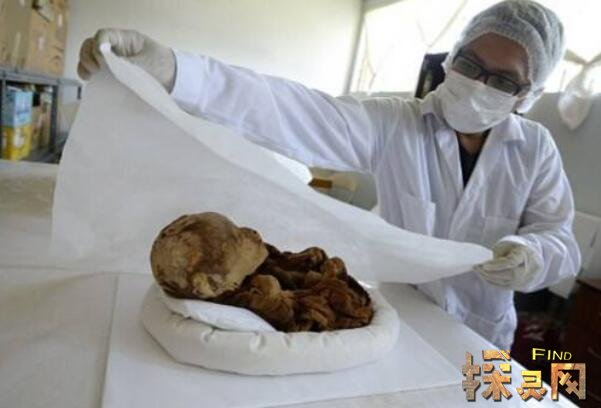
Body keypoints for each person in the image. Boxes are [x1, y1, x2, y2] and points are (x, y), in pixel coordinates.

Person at [78, 0, 581, 350]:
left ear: (528, 95)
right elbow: (286, 109)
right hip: (401, 321)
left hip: (484, 335)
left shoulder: (535, 149)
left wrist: (532, 256)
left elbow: (559, 236)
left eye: (502, 80)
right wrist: (175, 70)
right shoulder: (395, 124)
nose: (478, 85)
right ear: (452, 57)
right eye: (470, 64)